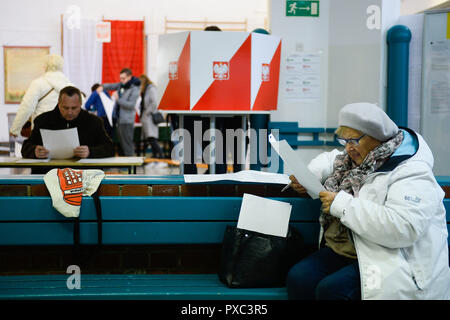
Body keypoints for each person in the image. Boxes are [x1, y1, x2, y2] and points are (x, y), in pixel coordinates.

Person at [286, 102, 450, 300]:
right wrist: (309, 176)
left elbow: (404, 228)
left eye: (353, 140)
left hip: (395, 261)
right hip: (358, 249)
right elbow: (329, 159)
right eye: (343, 140)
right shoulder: (352, 161)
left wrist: (342, 205)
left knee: (333, 290)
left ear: (376, 137)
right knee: (300, 278)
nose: (348, 148)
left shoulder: (412, 172)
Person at [21, 86, 114, 167]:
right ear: (59, 104)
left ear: (80, 105)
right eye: (65, 108)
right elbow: (25, 148)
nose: (70, 112)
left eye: (74, 108)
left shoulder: (94, 122)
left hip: (84, 173)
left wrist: (90, 152)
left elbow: (110, 148)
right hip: (49, 172)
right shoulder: (42, 121)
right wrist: (35, 151)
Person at [10, 54, 77, 137]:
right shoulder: (70, 85)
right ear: (61, 66)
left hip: (42, 129)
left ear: (45, 66)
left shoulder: (38, 84)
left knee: (41, 150)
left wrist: (15, 130)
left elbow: (27, 107)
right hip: (65, 130)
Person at [103, 68, 141, 156]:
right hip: (120, 119)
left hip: (127, 120)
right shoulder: (122, 85)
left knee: (128, 143)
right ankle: (126, 164)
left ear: (129, 77)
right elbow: (111, 86)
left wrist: (118, 99)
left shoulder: (134, 89)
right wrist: (101, 86)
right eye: (120, 78)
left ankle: (131, 164)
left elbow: (131, 105)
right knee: (122, 143)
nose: (121, 81)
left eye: (123, 78)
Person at [139, 74, 164, 159]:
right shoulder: (146, 90)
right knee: (150, 139)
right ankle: (155, 157)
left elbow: (154, 103)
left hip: (150, 117)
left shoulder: (151, 89)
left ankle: (161, 157)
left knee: (152, 138)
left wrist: (146, 113)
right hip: (147, 117)